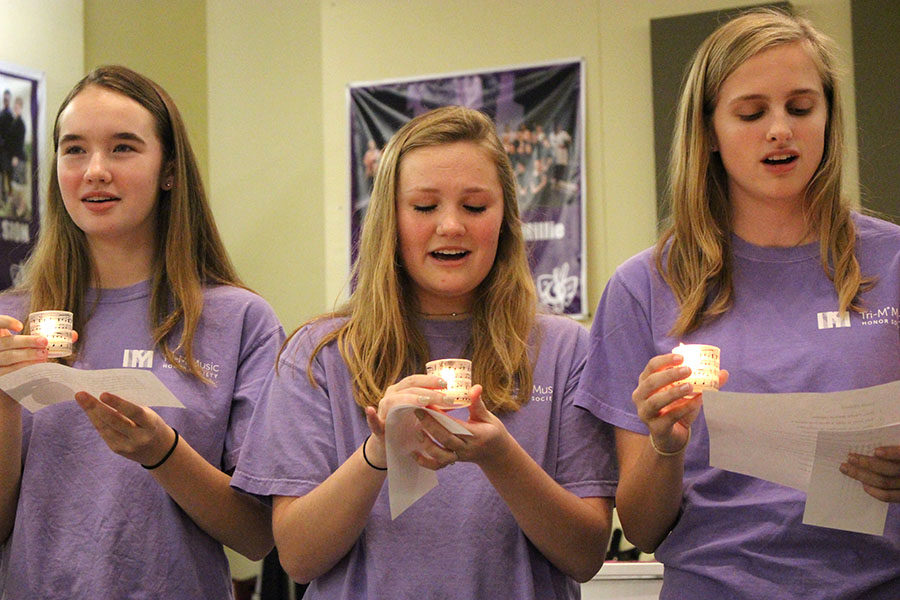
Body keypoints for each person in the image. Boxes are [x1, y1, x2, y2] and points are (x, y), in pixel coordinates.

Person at [575, 8, 900, 599]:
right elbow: (644, 527)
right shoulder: (642, 287)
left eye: (801, 108)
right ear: (710, 132)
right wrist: (664, 444)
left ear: (829, 118)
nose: (780, 130)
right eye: (752, 113)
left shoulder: (893, 262)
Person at [232, 105, 616, 599]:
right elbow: (299, 557)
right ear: (390, 219)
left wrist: (501, 457)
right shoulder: (319, 354)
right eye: (424, 207)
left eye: (475, 207)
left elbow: (585, 556)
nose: (451, 226)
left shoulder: (563, 350)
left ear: (506, 220)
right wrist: (378, 454)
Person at [0, 65, 284, 598]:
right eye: (74, 149)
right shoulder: (13, 322)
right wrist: (4, 404)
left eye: (124, 148)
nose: (95, 171)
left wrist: (162, 452)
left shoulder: (240, 320)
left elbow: (257, 535)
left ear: (170, 171)